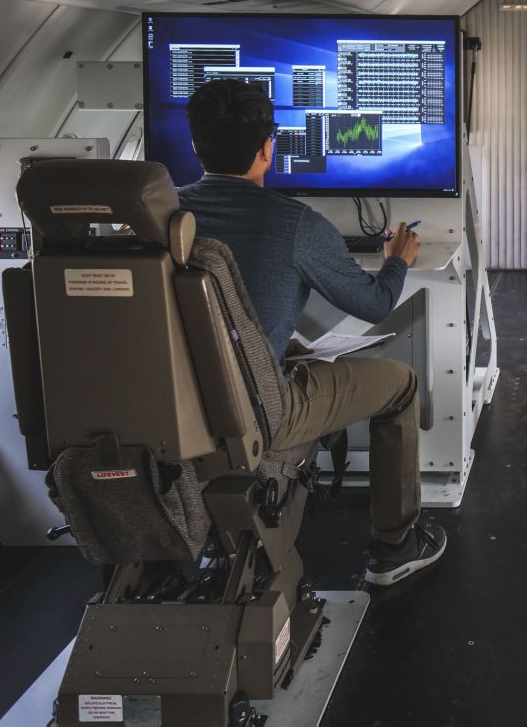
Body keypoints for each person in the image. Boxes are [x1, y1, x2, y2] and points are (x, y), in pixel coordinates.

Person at [177, 79, 446, 586]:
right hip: (259, 412)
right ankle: (396, 546)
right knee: (401, 383)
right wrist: (396, 261)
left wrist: (272, 344)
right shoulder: (296, 224)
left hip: (172, 411)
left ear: (195, 145)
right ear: (266, 149)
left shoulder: (162, 217)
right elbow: (374, 305)